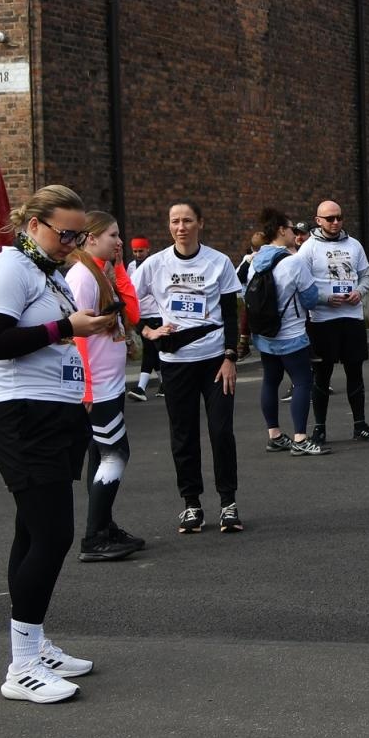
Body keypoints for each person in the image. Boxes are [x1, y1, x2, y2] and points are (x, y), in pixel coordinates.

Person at [0, 185, 118, 703]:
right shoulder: (12, 268)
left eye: (77, 234)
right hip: (24, 412)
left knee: (32, 532)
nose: (71, 242)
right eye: (63, 233)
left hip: (57, 408)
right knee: (53, 534)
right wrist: (64, 326)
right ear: (33, 225)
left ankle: (33, 642)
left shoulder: (47, 272)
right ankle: (21, 666)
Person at [133, 200, 246, 534]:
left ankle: (228, 503)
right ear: (169, 226)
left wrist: (230, 356)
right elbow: (127, 303)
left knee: (221, 430)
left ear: (200, 223)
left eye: (187, 221)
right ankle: (192, 504)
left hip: (214, 360)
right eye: (174, 222)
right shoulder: (154, 265)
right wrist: (148, 331)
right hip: (175, 363)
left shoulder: (218, 261)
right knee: (183, 435)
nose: (180, 227)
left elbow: (229, 311)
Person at [65, 212, 143, 561]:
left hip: (109, 385)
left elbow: (134, 312)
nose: (119, 241)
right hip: (97, 387)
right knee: (116, 455)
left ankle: (103, 526)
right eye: (112, 235)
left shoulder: (103, 271)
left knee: (101, 456)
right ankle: (94, 538)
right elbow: (76, 336)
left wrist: (120, 267)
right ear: (91, 238)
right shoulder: (82, 277)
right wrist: (86, 390)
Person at [298, 199, 369, 445]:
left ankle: (360, 426)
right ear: (318, 221)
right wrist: (325, 298)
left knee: (355, 372)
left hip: (352, 317)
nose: (335, 222)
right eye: (330, 218)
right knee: (322, 376)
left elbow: (367, 276)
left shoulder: (354, 245)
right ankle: (319, 429)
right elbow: (301, 285)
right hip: (323, 320)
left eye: (339, 217)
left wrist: (360, 291)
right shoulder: (309, 248)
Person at [248, 209, 325, 456]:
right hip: (291, 334)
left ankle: (275, 436)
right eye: (292, 229)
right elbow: (311, 298)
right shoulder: (293, 262)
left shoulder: (254, 263)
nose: (294, 233)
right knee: (303, 382)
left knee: (270, 381)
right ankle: (301, 439)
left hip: (265, 335)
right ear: (281, 230)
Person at [126, 237, 160, 402]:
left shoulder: (155, 264)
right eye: (135, 251)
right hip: (139, 314)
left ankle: (141, 388)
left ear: (148, 250)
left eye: (141, 251)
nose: (138, 254)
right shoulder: (131, 266)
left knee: (150, 350)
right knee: (155, 351)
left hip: (155, 313)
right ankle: (165, 384)